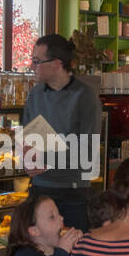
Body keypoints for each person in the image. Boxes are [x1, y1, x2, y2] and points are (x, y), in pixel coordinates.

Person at [21, 33, 104, 231]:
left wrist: (43, 157)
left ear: (57, 64)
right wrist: (25, 157)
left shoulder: (85, 98)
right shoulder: (35, 95)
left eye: (37, 61)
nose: (32, 66)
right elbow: (27, 138)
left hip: (72, 194)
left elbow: (86, 153)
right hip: (39, 191)